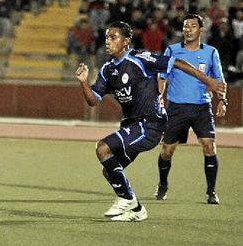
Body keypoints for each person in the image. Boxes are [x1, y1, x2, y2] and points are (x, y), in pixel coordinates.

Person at [74, 21, 225, 222]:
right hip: (132, 126)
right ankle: (137, 209)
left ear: (126, 41)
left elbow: (176, 63)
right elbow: (93, 101)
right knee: (109, 171)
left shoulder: (139, 58)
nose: (108, 42)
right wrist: (84, 82)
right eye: (107, 37)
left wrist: (208, 81)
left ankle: (127, 198)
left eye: (113, 37)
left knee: (102, 148)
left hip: (150, 124)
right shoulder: (108, 70)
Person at [154, 14, 227, 204]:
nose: (188, 29)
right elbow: (162, 76)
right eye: (185, 26)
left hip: (202, 107)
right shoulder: (172, 50)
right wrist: (159, 97)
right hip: (176, 108)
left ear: (201, 30)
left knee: (209, 146)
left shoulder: (211, 52)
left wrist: (222, 100)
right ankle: (163, 184)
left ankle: (211, 192)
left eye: (193, 26)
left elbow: (219, 79)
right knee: (167, 151)